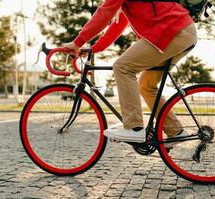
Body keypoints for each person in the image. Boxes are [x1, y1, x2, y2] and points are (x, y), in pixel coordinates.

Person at [64, 0, 197, 143]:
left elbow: (105, 13)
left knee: (123, 67)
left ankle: (134, 128)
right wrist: (93, 49)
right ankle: (175, 131)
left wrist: (77, 42)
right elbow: (117, 26)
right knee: (146, 85)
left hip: (172, 30)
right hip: (182, 30)